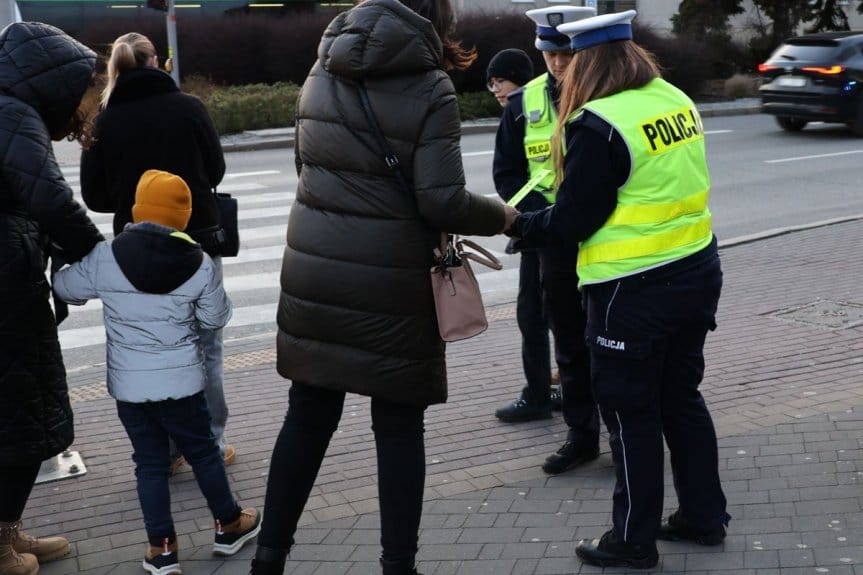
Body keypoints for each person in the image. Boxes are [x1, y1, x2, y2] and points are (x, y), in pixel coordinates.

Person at [249, 1, 517, 574]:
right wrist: (506, 216)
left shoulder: (321, 70)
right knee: (397, 425)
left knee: (307, 414)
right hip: (391, 280)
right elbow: (441, 200)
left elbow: (306, 163)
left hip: (315, 267)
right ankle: (398, 566)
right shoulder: (430, 87)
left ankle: (268, 559)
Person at [509, 10, 730, 569]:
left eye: (569, 60)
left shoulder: (598, 123)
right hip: (697, 270)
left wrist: (516, 225)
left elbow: (572, 221)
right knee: (682, 399)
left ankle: (632, 540)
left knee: (631, 414)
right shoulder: (673, 99)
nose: (561, 72)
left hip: (630, 293)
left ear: (588, 61)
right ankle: (704, 517)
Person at [53, 170, 260, 575]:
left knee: (148, 465)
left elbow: (65, 290)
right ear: (182, 218)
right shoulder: (198, 262)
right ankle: (229, 525)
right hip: (182, 384)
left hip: (131, 388)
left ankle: (161, 550)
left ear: (138, 209)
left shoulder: (107, 255)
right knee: (203, 453)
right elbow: (216, 316)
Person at [78, 32, 233, 473]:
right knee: (206, 348)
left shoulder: (104, 120)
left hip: (134, 252)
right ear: (157, 62)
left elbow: (95, 196)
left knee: (149, 351)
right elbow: (216, 170)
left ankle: (164, 453)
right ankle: (212, 445)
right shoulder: (189, 108)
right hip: (196, 243)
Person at [0, 21, 105, 575]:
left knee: (23, 411)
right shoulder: (12, 113)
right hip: (4, 289)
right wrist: (98, 255)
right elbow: (49, 198)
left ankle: (9, 531)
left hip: (10, 279)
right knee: (20, 412)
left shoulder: (8, 108)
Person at [492, 5, 601, 477]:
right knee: (571, 345)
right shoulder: (524, 105)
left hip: (604, 239)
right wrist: (541, 221)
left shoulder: (607, 96)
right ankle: (581, 436)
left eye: (566, 52)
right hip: (552, 241)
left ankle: (621, 433)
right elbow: (507, 174)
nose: (558, 63)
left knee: (612, 341)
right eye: (549, 53)